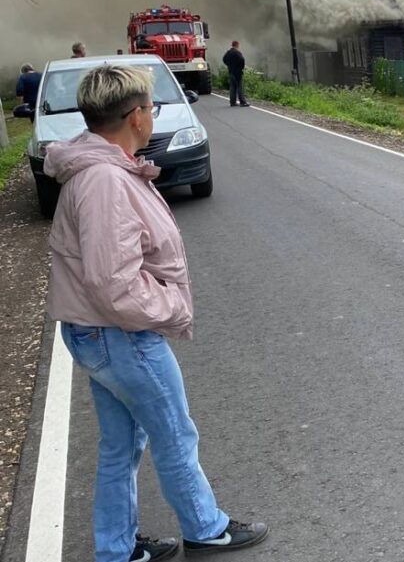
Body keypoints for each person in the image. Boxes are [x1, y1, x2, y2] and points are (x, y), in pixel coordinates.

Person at [43, 65, 268, 562]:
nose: (152, 114)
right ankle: (205, 530)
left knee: (121, 444)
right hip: (120, 334)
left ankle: (117, 549)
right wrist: (171, 307)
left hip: (99, 332)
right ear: (135, 116)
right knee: (174, 431)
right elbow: (111, 280)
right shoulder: (105, 180)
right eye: (150, 106)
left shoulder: (102, 168)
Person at [221, 40, 249, 107]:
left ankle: (232, 102)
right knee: (240, 87)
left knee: (232, 88)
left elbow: (224, 59)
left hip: (231, 71)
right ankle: (243, 102)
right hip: (238, 72)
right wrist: (241, 68)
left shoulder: (228, 53)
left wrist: (229, 65)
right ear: (237, 45)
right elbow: (242, 60)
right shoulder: (237, 52)